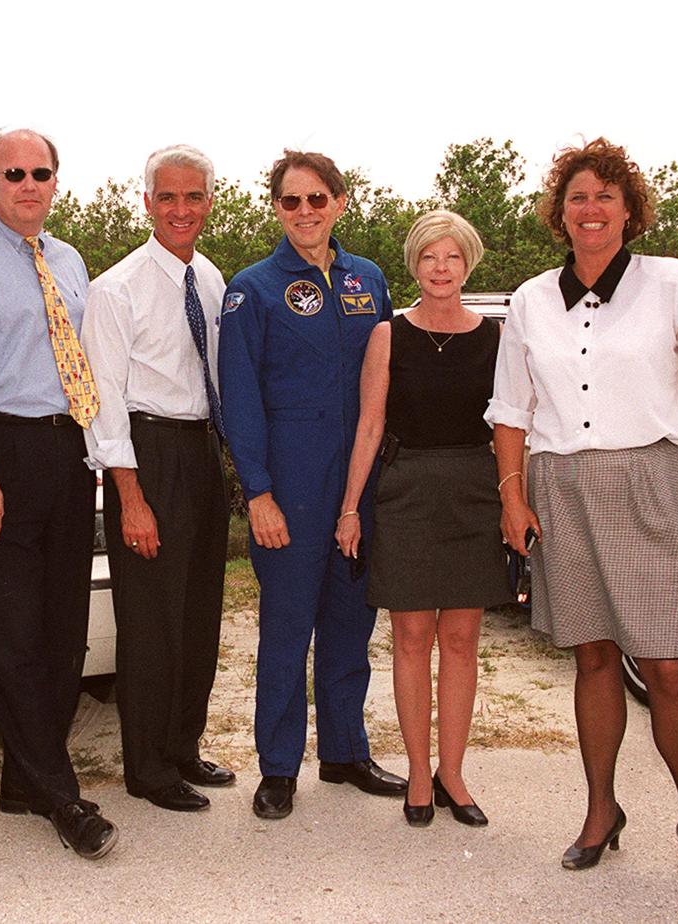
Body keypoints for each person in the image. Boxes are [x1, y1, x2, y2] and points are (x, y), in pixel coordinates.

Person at [486, 138, 678, 890]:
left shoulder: (672, 284)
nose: (590, 209)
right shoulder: (531, 299)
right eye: (577, 198)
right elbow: (510, 409)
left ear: (630, 210)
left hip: (651, 481)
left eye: (604, 196)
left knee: (665, 665)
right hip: (560, 484)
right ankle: (601, 811)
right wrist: (512, 496)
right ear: (559, 215)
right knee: (592, 655)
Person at [0, 128, 117, 859]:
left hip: (66, 451)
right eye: (14, 173)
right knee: (11, 634)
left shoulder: (68, 261)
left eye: (41, 172)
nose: (28, 184)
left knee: (63, 633)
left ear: (55, 183)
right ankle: (62, 797)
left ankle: (21, 779)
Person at [218, 150, 407, 820]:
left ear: (340, 203)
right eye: (292, 201)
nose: (305, 213)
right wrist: (260, 493)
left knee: (351, 621)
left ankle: (346, 751)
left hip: (359, 479)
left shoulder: (369, 280)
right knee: (287, 627)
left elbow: (385, 381)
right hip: (290, 481)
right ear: (277, 208)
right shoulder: (254, 288)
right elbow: (237, 400)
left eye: (317, 199)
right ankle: (277, 767)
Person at [336, 210, 511, 828]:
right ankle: (416, 773)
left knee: (461, 641)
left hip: (473, 489)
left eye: (453, 257)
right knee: (411, 640)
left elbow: (514, 425)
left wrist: (517, 502)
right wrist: (351, 505)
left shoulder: (496, 337)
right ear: (415, 265)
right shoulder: (389, 334)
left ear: (468, 264)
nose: (441, 269)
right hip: (405, 489)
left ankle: (453, 775)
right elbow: (370, 422)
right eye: (430, 257)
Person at [82, 145, 234, 813]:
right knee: (151, 622)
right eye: (167, 197)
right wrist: (131, 497)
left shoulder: (211, 278)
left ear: (208, 202)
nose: (180, 209)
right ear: (146, 203)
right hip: (146, 458)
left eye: (193, 197)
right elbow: (104, 400)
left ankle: (182, 746)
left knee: (198, 615)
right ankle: (146, 767)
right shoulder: (115, 288)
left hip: (201, 456)